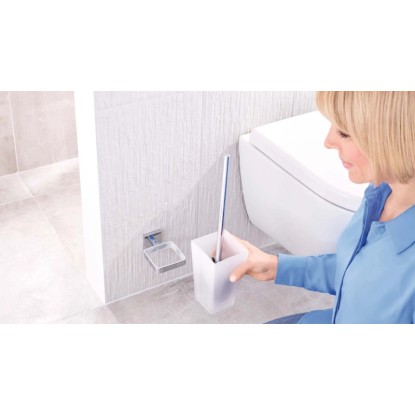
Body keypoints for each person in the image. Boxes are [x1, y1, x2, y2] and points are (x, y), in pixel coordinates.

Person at [230, 91, 415, 323]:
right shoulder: (381, 192)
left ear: (397, 139)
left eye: (344, 133)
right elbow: (363, 273)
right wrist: (276, 267)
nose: (328, 141)